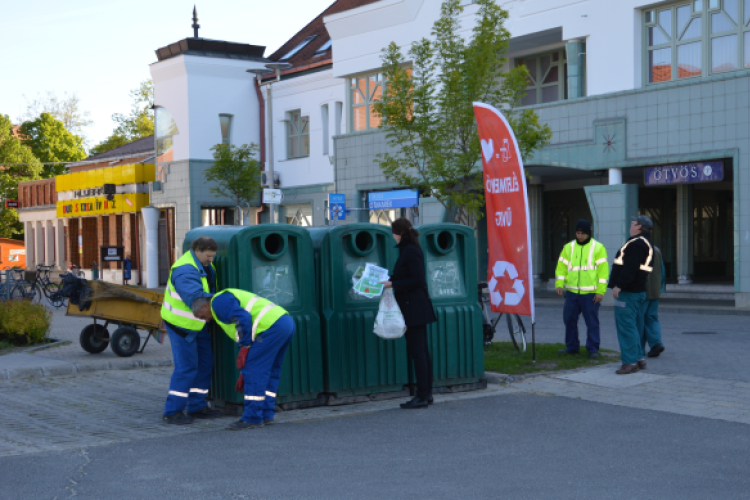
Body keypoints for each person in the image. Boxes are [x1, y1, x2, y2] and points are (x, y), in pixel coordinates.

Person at [192, 289, 295, 430]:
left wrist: (245, 348)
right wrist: (243, 369)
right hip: (284, 322)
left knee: (254, 371)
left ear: (204, 306)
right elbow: (245, 331)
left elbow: (243, 318)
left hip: (271, 327)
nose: (206, 320)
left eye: (203, 316)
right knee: (271, 370)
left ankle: (252, 418)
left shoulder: (217, 302)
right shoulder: (225, 300)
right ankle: (266, 413)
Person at [160, 237, 221, 424]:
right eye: (208, 256)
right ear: (198, 251)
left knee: (205, 364)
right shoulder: (185, 270)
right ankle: (172, 412)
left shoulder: (204, 265)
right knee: (186, 368)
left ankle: (197, 406)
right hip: (181, 326)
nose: (211, 260)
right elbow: (196, 301)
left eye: (213, 256)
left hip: (198, 323)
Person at [381, 218, 437, 409]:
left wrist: (393, 284)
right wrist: (387, 279)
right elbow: (406, 275)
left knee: (418, 353)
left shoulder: (411, 251)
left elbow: (418, 279)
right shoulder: (408, 250)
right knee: (422, 352)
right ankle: (426, 394)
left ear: (400, 233)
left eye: (394, 233)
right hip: (414, 306)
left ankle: (422, 395)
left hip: (415, 307)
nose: (393, 236)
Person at [554, 219, 609, 359]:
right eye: (578, 233)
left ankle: (593, 350)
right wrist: (559, 284)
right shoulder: (568, 247)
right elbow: (561, 268)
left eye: (582, 234)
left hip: (590, 294)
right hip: (572, 293)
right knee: (569, 321)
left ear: (588, 233)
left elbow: (603, 273)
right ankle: (572, 347)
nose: (579, 236)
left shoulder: (598, 247)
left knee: (592, 323)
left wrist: (600, 292)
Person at [608, 215, 654, 375]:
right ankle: (639, 357)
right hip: (639, 291)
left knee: (626, 327)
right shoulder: (648, 244)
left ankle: (630, 362)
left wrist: (619, 285)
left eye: (633, 223)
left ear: (639, 226)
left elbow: (630, 267)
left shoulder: (635, 244)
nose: (631, 225)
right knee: (636, 326)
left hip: (628, 292)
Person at [644, 244, 666, 358]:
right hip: (655, 290)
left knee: (640, 319)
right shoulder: (657, 250)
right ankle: (656, 343)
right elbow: (662, 271)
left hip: (643, 291)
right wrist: (660, 288)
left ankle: (639, 348)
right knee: (652, 318)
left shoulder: (638, 248)